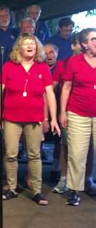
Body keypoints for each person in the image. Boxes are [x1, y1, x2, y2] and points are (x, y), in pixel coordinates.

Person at [0, 33, 60, 206]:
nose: (30, 46)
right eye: (26, 44)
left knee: (34, 155)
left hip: (34, 118)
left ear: (37, 48)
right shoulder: (8, 66)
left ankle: (37, 191)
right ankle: (11, 188)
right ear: (19, 48)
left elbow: (50, 94)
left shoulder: (42, 68)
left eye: (33, 43)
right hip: (11, 117)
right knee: (10, 154)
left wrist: (52, 118)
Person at [60, 28, 96, 206]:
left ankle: (90, 181)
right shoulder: (75, 62)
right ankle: (74, 190)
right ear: (84, 44)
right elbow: (66, 87)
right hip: (77, 112)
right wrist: (62, 112)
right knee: (76, 153)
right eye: (93, 39)